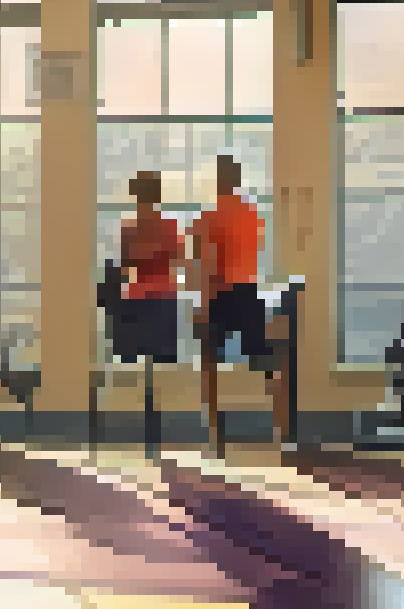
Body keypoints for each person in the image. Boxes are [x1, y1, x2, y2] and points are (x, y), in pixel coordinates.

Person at [191, 155, 286, 445]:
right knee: (266, 360)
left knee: (209, 361)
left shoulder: (208, 217)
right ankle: (280, 427)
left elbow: (207, 264)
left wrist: (204, 305)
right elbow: (251, 253)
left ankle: (214, 428)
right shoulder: (252, 214)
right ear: (237, 180)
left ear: (219, 179)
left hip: (221, 293)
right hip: (248, 291)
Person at [114, 171, 184, 367]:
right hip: (164, 296)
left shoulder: (130, 227)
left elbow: (126, 266)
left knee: (136, 362)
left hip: (138, 296)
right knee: (161, 361)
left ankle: (146, 396)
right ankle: (154, 395)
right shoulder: (169, 225)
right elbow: (178, 258)